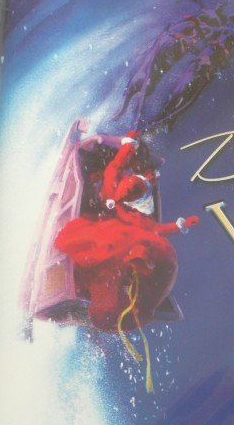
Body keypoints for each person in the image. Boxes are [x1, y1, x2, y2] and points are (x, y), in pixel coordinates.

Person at [55, 131, 198, 391]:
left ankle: (95, 324)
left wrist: (180, 226)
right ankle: (92, 318)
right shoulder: (118, 194)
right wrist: (127, 146)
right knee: (100, 258)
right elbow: (115, 169)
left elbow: (153, 227)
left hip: (117, 235)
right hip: (110, 231)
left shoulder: (135, 207)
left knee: (108, 268)